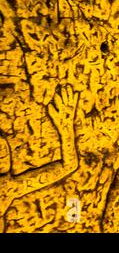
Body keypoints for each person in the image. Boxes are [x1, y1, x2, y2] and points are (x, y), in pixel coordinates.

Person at [0, 85, 79, 232]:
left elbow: (68, 166)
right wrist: (66, 129)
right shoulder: (6, 189)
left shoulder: (6, 189)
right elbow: (68, 166)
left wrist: (66, 129)